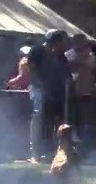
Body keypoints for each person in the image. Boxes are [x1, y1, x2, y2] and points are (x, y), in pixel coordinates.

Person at [27, 30, 71, 162]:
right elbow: (32, 69)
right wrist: (42, 84)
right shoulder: (37, 50)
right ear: (52, 41)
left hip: (55, 92)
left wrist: (68, 80)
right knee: (39, 117)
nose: (61, 44)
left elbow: (65, 72)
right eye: (59, 40)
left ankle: (52, 151)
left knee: (53, 120)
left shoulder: (60, 55)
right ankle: (35, 153)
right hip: (38, 89)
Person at [65, 33, 96, 143]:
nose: (82, 44)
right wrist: (80, 60)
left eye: (84, 42)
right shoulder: (68, 55)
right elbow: (69, 68)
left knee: (86, 118)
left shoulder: (91, 56)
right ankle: (71, 141)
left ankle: (86, 141)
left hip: (87, 91)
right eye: (80, 41)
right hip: (72, 92)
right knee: (72, 118)